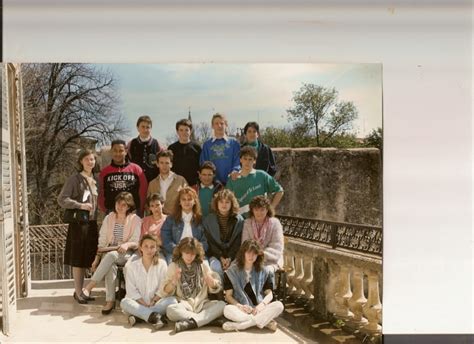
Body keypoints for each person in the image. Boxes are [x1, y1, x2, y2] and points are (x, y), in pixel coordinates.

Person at [82, 192, 141, 314]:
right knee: (111, 263)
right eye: (118, 204)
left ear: (129, 206)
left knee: (111, 256)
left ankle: (90, 287)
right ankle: (110, 301)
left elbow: (136, 241)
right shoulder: (109, 218)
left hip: (127, 252)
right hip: (109, 252)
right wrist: (97, 259)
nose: (120, 207)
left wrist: (126, 244)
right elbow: (102, 240)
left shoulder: (135, 219)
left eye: (124, 205)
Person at [58, 149, 99, 304]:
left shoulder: (95, 179)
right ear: (81, 161)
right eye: (87, 159)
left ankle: (84, 291)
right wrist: (80, 205)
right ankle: (77, 292)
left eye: (93, 159)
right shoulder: (75, 179)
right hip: (78, 224)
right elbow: (62, 199)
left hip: (92, 223)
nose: (90, 162)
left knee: (88, 258)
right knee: (78, 259)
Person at [160, 237, 225, 333]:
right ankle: (205, 321)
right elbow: (164, 291)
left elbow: (216, 286)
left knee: (222, 305)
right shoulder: (173, 266)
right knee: (170, 310)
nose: (189, 257)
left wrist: (212, 283)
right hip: (184, 304)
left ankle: (192, 322)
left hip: (202, 304)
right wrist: (174, 280)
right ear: (181, 252)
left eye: (193, 254)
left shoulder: (203, 265)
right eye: (187, 253)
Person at [222, 239, 284, 332]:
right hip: (242, 309)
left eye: (254, 253)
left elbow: (269, 294)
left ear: (258, 255)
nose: (251, 256)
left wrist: (261, 306)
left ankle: (242, 326)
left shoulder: (264, 271)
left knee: (279, 305)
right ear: (243, 253)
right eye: (248, 252)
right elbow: (228, 296)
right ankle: (265, 321)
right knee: (227, 309)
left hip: (259, 308)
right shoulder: (232, 271)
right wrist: (240, 306)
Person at [120, 234, 178, 329]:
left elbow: (162, 288)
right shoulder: (132, 266)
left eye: (152, 247)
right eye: (146, 246)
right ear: (140, 248)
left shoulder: (162, 264)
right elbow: (131, 291)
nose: (149, 250)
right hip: (137, 303)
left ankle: (140, 316)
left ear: (156, 249)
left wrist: (154, 301)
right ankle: (155, 317)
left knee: (173, 301)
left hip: (156, 303)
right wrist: (143, 303)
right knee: (124, 302)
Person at [226, 146, 284, 217]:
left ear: (254, 161)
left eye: (250, 159)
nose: (247, 162)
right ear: (240, 160)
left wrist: (270, 208)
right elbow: (227, 200)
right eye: (245, 159)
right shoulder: (233, 179)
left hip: (260, 220)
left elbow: (279, 191)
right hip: (241, 221)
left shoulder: (262, 175)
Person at [98, 139, 148, 216]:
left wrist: (139, 210)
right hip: (112, 213)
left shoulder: (136, 169)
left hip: (133, 213)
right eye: (115, 150)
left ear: (126, 151)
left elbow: (143, 192)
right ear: (111, 151)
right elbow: (100, 193)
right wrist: (106, 210)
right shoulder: (105, 172)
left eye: (121, 150)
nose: (118, 153)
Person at [160, 187, 208, 264]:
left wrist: (195, 252)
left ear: (194, 201)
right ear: (179, 202)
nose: (186, 202)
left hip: (196, 254)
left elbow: (205, 241)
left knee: (204, 270)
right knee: (173, 270)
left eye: (189, 199)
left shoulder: (201, 220)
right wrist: (178, 251)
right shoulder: (171, 219)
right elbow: (166, 238)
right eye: (184, 199)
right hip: (175, 254)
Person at [203, 189, 244, 279]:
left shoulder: (239, 220)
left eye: (227, 202)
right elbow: (210, 243)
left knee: (235, 268)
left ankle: (232, 292)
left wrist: (229, 257)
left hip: (234, 255)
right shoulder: (208, 220)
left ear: (232, 203)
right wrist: (220, 257)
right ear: (216, 203)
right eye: (221, 202)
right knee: (216, 268)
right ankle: (220, 292)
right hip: (215, 254)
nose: (224, 205)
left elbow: (238, 242)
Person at [241, 196, 284, 273]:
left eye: (262, 210)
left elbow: (277, 246)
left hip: (271, 259)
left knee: (265, 271)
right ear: (252, 210)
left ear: (267, 210)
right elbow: (245, 243)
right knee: (239, 270)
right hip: (251, 257)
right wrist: (253, 254)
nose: (259, 213)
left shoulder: (275, 223)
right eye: (256, 210)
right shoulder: (247, 223)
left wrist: (262, 253)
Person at [199, 113, 240, 185]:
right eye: (216, 123)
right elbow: (204, 164)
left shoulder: (234, 143)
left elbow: (238, 160)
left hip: (232, 182)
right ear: (212, 126)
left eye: (222, 123)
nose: (219, 126)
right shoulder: (207, 145)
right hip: (213, 184)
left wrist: (235, 171)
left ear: (226, 125)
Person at [147, 150, 188, 215]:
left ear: (171, 164)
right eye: (161, 163)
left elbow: (188, 201)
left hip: (176, 218)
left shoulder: (181, 181)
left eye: (167, 163)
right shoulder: (152, 184)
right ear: (157, 164)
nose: (164, 166)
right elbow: (148, 204)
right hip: (157, 219)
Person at [127, 115, 164, 183]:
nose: (145, 130)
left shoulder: (158, 144)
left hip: (153, 182)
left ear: (151, 129)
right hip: (135, 181)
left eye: (148, 127)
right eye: (143, 127)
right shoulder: (131, 144)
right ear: (138, 128)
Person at [168, 119, 202, 187]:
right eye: (181, 130)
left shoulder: (197, 147)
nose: (184, 132)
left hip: (193, 184)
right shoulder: (171, 148)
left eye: (187, 130)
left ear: (190, 131)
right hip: (176, 185)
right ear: (177, 131)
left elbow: (201, 166)